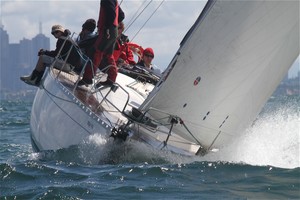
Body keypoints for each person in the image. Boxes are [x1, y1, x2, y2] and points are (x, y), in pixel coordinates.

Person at [78, 0, 124, 86]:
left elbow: (111, 13)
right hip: (114, 31)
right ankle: (112, 78)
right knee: (108, 55)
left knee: (96, 52)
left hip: (107, 30)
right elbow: (121, 15)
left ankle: (87, 78)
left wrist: (107, 27)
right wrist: (114, 25)